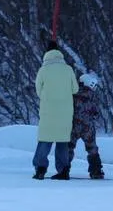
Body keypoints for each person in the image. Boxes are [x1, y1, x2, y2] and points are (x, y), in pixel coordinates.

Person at [33, 41, 79, 180]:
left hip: (48, 111)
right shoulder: (68, 69)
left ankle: (40, 168)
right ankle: (63, 170)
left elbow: (38, 90)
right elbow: (75, 89)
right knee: (62, 141)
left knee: (45, 140)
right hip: (65, 112)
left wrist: (48, 97)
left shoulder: (43, 70)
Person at [71, 72, 105, 179]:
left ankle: (64, 169)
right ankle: (96, 171)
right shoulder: (91, 96)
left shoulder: (72, 94)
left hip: (73, 125)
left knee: (69, 147)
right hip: (88, 127)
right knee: (92, 148)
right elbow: (95, 112)